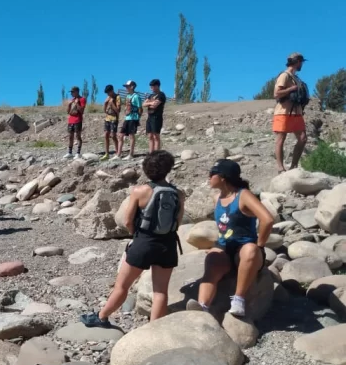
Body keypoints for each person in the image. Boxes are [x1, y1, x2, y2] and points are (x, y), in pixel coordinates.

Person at [80, 150, 184, 327]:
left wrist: (136, 234)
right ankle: (154, 329)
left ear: (146, 169)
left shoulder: (140, 191)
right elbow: (178, 221)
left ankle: (102, 317)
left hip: (144, 242)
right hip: (167, 245)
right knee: (160, 291)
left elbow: (127, 220)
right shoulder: (178, 193)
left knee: (122, 285)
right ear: (168, 169)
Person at [187, 160, 274, 317]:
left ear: (223, 177)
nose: (208, 177)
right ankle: (202, 308)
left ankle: (238, 299)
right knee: (212, 261)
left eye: (212, 174)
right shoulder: (217, 198)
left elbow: (267, 219)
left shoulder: (244, 195)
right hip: (225, 247)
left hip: (245, 250)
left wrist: (260, 246)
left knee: (250, 250)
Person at [273, 53, 309, 173]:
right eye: (301, 62)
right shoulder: (284, 75)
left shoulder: (296, 78)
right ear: (297, 62)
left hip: (296, 113)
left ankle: (293, 167)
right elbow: (276, 94)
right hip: (283, 112)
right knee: (280, 139)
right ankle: (280, 168)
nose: (302, 65)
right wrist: (291, 89)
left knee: (303, 138)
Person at [120, 80, 142, 160]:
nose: (126, 88)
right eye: (126, 86)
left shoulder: (136, 96)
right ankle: (118, 154)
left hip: (133, 118)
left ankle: (131, 154)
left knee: (131, 136)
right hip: (127, 117)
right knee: (121, 135)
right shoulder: (128, 96)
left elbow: (140, 108)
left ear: (132, 86)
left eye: (127, 86)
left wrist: (137, 118)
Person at [143, 79, 166, 154]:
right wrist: (151, 102)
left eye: (152, 86)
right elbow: (143, 104)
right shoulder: (151, 95)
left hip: (157, 117)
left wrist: (149, 103)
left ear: (157, 86)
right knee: (150, 136)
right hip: (150, 117)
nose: (151, 88)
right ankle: (151, 153)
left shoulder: (161, 95)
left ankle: (156, 153)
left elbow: (154, 106)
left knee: (156, 136)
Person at [65, 86, 87, 159]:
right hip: (71, 120)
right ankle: (70, 152)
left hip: (78, 120)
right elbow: (68, 111)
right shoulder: (72, 100)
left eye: (72, 92)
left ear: (77, 92)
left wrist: (77, 104)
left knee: (78, 136)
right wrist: (69, 104)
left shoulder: (82, 99)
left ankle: (78, 152)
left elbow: (82, 111)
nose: (71, 93)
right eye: (71, 92)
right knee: (70, 136)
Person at [102, 84, 121, 160]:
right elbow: (104, 111)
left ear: (112, 91)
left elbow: (118, 110)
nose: (108, 94)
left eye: (108, 92)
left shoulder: (117, 97)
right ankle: (107, 153)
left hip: (114, 118)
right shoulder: (108, 97)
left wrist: (112, 103)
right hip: (107, 118)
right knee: (106, 134)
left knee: (113, 135)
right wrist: (105, 103)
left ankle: (117, 152)